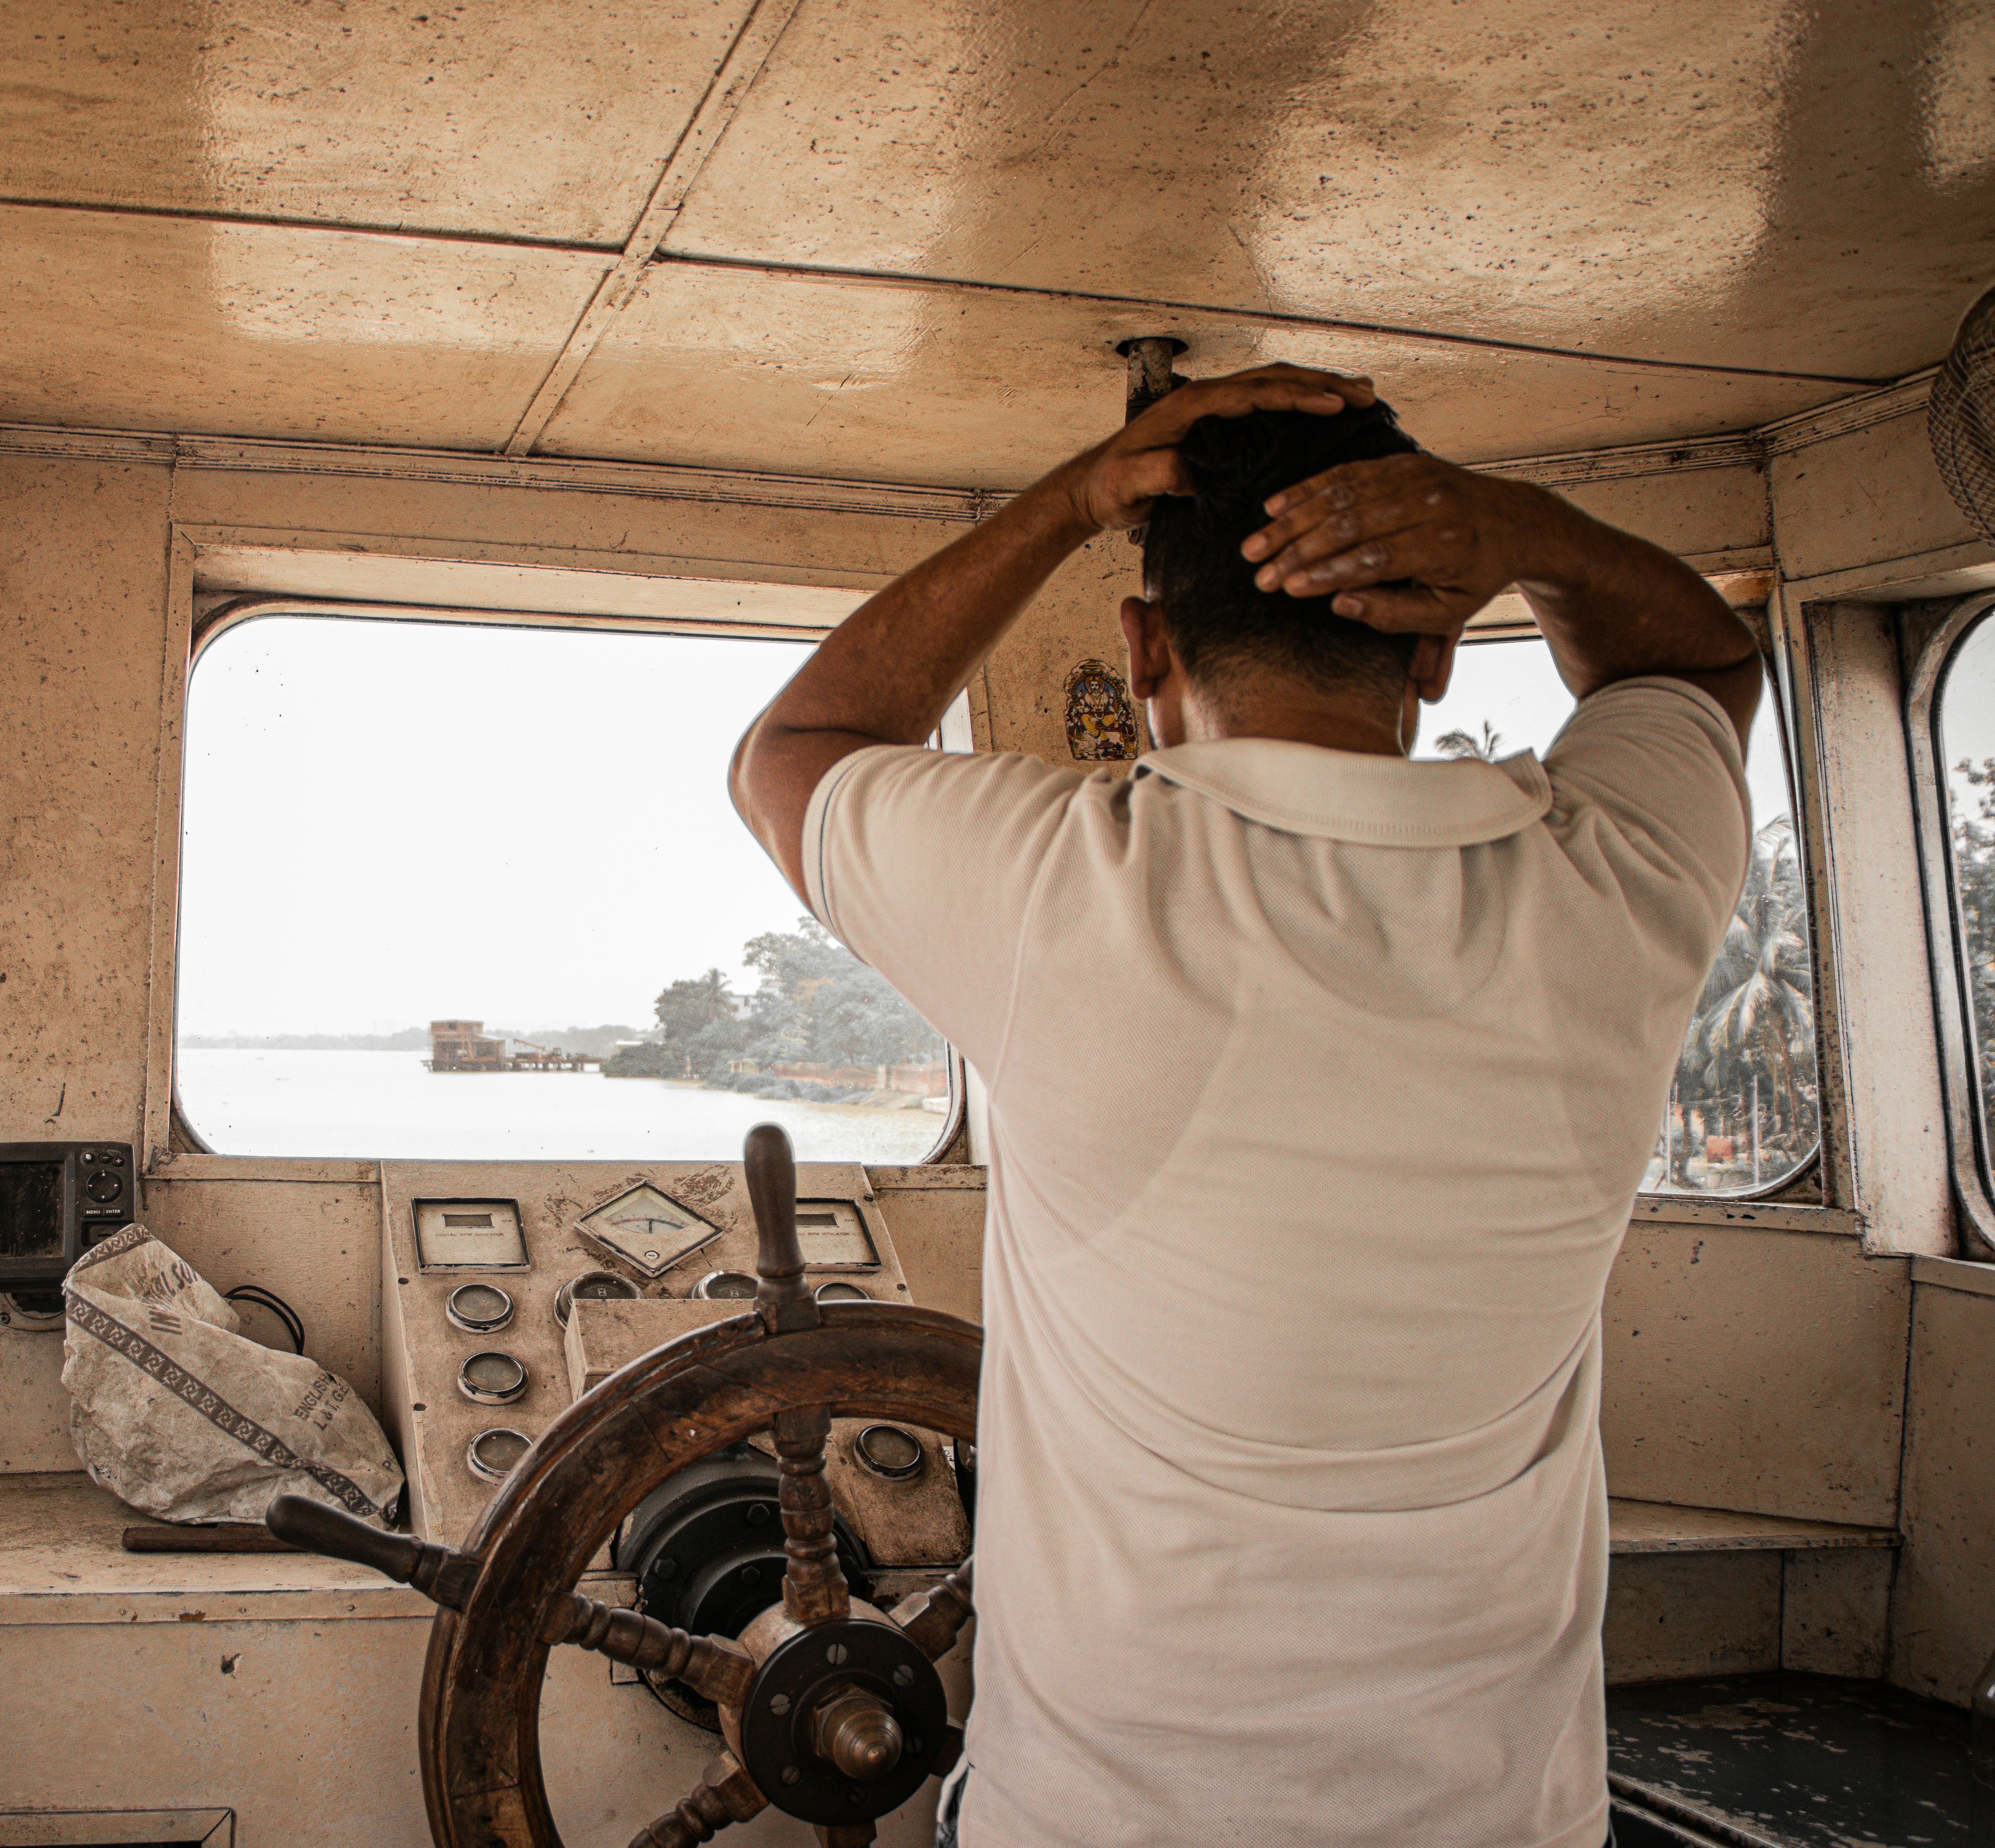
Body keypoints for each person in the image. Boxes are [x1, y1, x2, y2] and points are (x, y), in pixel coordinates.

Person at [729, 364, 1761, 1848]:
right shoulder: (1613, 887)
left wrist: (1079, 493)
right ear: (1439, 656)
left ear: (1144, 649)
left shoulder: (1063, 892)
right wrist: (1526, 528)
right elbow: (1704, 672)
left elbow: (792, 756)